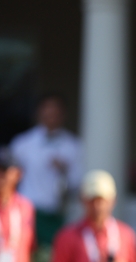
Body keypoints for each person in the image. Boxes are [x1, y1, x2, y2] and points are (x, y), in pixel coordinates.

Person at [10, 93, 82, 246]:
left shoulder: (74, 146)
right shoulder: (22, 144)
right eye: (47, 111)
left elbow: (78, 182)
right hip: (28, 212)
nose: (50, 116)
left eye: (55, 112)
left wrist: (65, 169)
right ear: (39, 113)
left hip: (57, 214)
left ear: (63, 115)